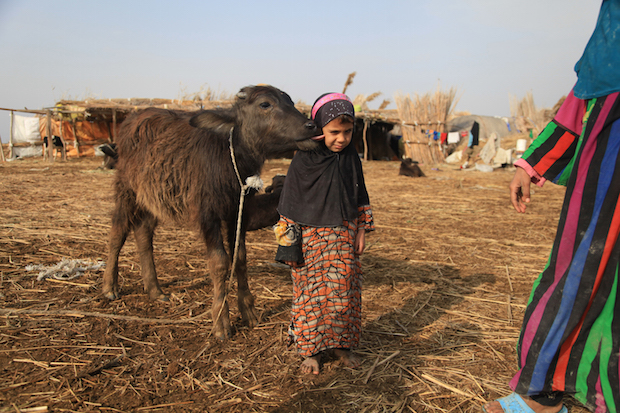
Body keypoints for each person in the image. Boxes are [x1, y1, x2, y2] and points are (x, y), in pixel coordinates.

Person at [484, 1, 620, 412]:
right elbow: (579, 106)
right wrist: (531, 164)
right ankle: (547, 390)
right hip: (607, 174)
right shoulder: (607, 56)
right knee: (583, 267)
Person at [274, 92, 374, 375]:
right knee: (310, 296)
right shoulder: (305, 160)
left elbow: (359, 195)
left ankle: (342, 345)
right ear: (319, 129)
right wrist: (287, 247)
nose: (341, 138)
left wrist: (362, 230)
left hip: (344, 236)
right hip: (310, 242)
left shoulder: (351, 157)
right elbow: (288, 206)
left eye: (347, 131)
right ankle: (312, 351)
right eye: (333, 132)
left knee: (344, 293)